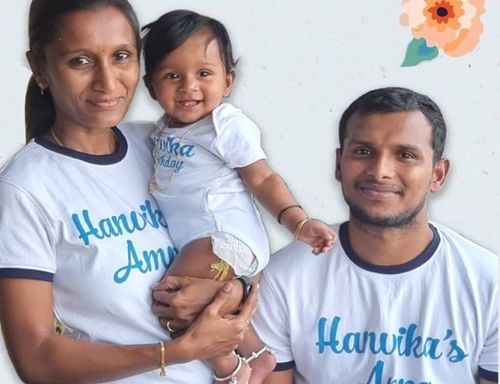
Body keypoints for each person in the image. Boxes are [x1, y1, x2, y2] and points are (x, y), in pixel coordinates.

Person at [0, 1, 257, 383]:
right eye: (80, 62)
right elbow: (36, 359)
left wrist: (234, 290)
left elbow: (236, 232)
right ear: (39, 68)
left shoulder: (161, 146)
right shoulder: (25, 188)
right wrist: (178, 351)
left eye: (121, 56)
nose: (108, 81)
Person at [250, 87, 498, 384]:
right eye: (363, 152)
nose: (380, 171)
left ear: (438, 174)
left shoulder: (489, 283)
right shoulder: (283, 278)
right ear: (339, 165)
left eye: (405, 155)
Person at [141, 10, 336, 384]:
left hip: (223, 238)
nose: (188, 87)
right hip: (207, 240)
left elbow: (262, 179)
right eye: (172, 76)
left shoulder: (224, 125)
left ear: (227, 81)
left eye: (204, 74)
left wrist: (298, 222)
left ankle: (229, 368)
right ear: (151, 87)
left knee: (172, 300)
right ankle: (259, 356)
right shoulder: (161, 130)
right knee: (189, 303)